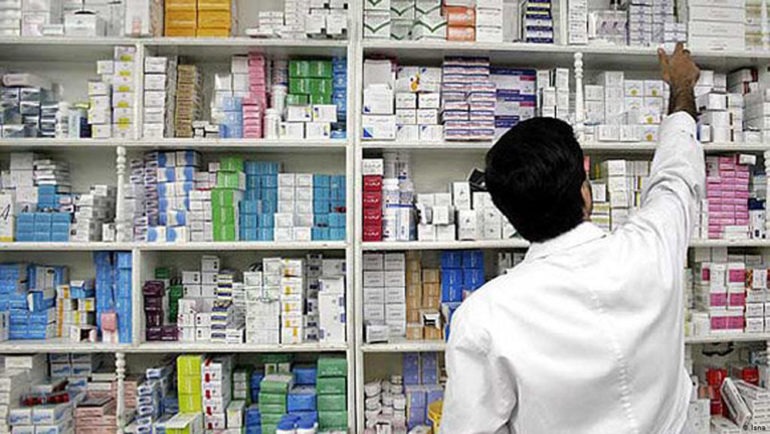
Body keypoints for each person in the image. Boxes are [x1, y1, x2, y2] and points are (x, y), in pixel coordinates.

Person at [440, 42, 703, 434]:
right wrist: (681, 86)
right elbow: (677, 172)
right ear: (585, 192)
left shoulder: (484, 317)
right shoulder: (652, 247)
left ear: (509, 216)